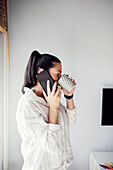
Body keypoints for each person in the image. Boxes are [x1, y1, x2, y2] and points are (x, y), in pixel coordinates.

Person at [15, 50, 78, 170]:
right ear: (42, 73)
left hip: (59, 165)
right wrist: (53, 108)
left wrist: (69, 97)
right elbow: (50, 144)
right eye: (57, 74)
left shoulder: (50, 97)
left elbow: (70, 122)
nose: (60, 80)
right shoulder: (28, 104)